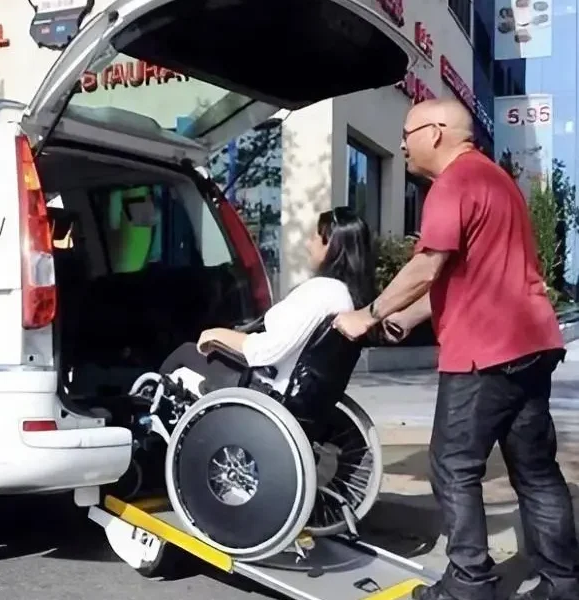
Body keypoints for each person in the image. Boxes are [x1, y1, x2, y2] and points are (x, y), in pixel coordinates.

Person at [333, 98, 579, 600]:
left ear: (437, 131)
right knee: (535, 470)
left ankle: (469, 585)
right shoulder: (497, 183)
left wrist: (370, 314)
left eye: (407, 132)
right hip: (531, 344)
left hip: (484, 352)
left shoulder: (453, 183)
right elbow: (471, 274)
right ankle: (563, 582)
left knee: (452, 466)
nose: (401, 144)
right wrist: (409, 316)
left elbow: (427, 266)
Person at [158, 206, 376, 396]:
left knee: (185, 352)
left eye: (313, 238)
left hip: (267, 387)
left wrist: (217, 335)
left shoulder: (323, 292)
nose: (308, 245)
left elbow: (269, 350)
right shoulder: (344, 297)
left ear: (330, 244)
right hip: (291, 385)